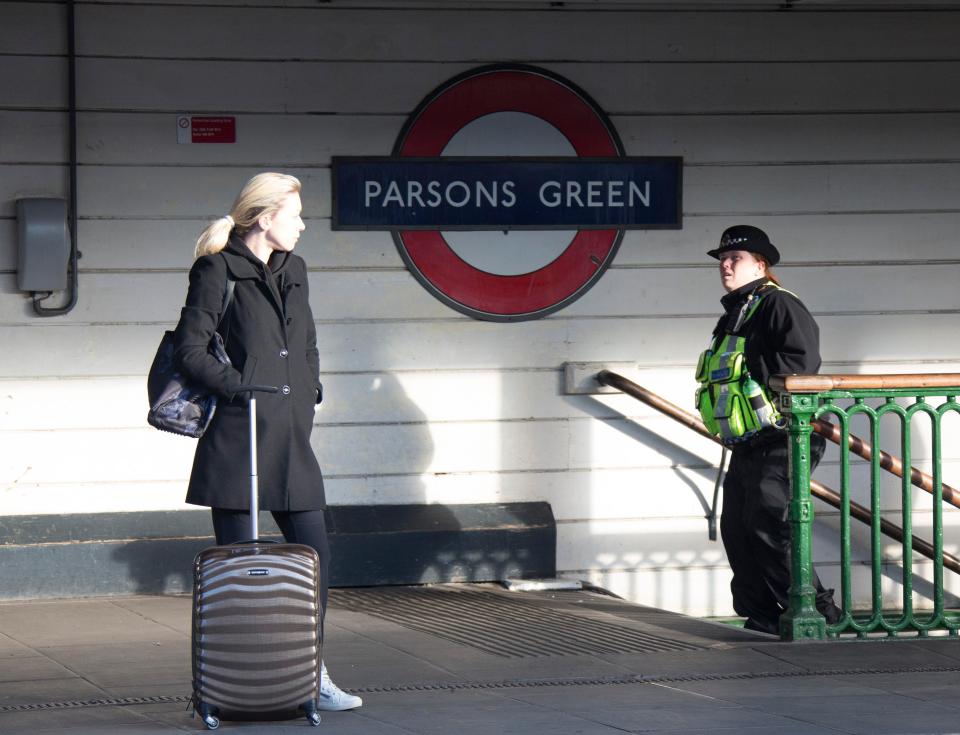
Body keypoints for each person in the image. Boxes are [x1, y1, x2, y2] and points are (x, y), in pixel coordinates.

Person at [172, 172, 362, 710]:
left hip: (291, 438)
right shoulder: (216, 270)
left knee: (315, 560)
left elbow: (307, 342)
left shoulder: (294, 269)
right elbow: (190, 350)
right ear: (265, 218)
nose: (303, 225)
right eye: (295, 215)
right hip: (238, 439)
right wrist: (242, 390)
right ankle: (233, 684)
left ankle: (308, 674)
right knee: (236, 576)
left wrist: (309, 390)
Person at [695, 224, 842, 635]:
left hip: (787, 436)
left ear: (760, 264)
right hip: (748, 440)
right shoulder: (735, 312)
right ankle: (761, 615)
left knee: (770, 522)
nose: (725, 265)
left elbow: (802, 363)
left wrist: (758, 375)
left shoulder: (779, 305)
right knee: (737, 528)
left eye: (734, 259)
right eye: (722, 259)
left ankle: (818, 615)